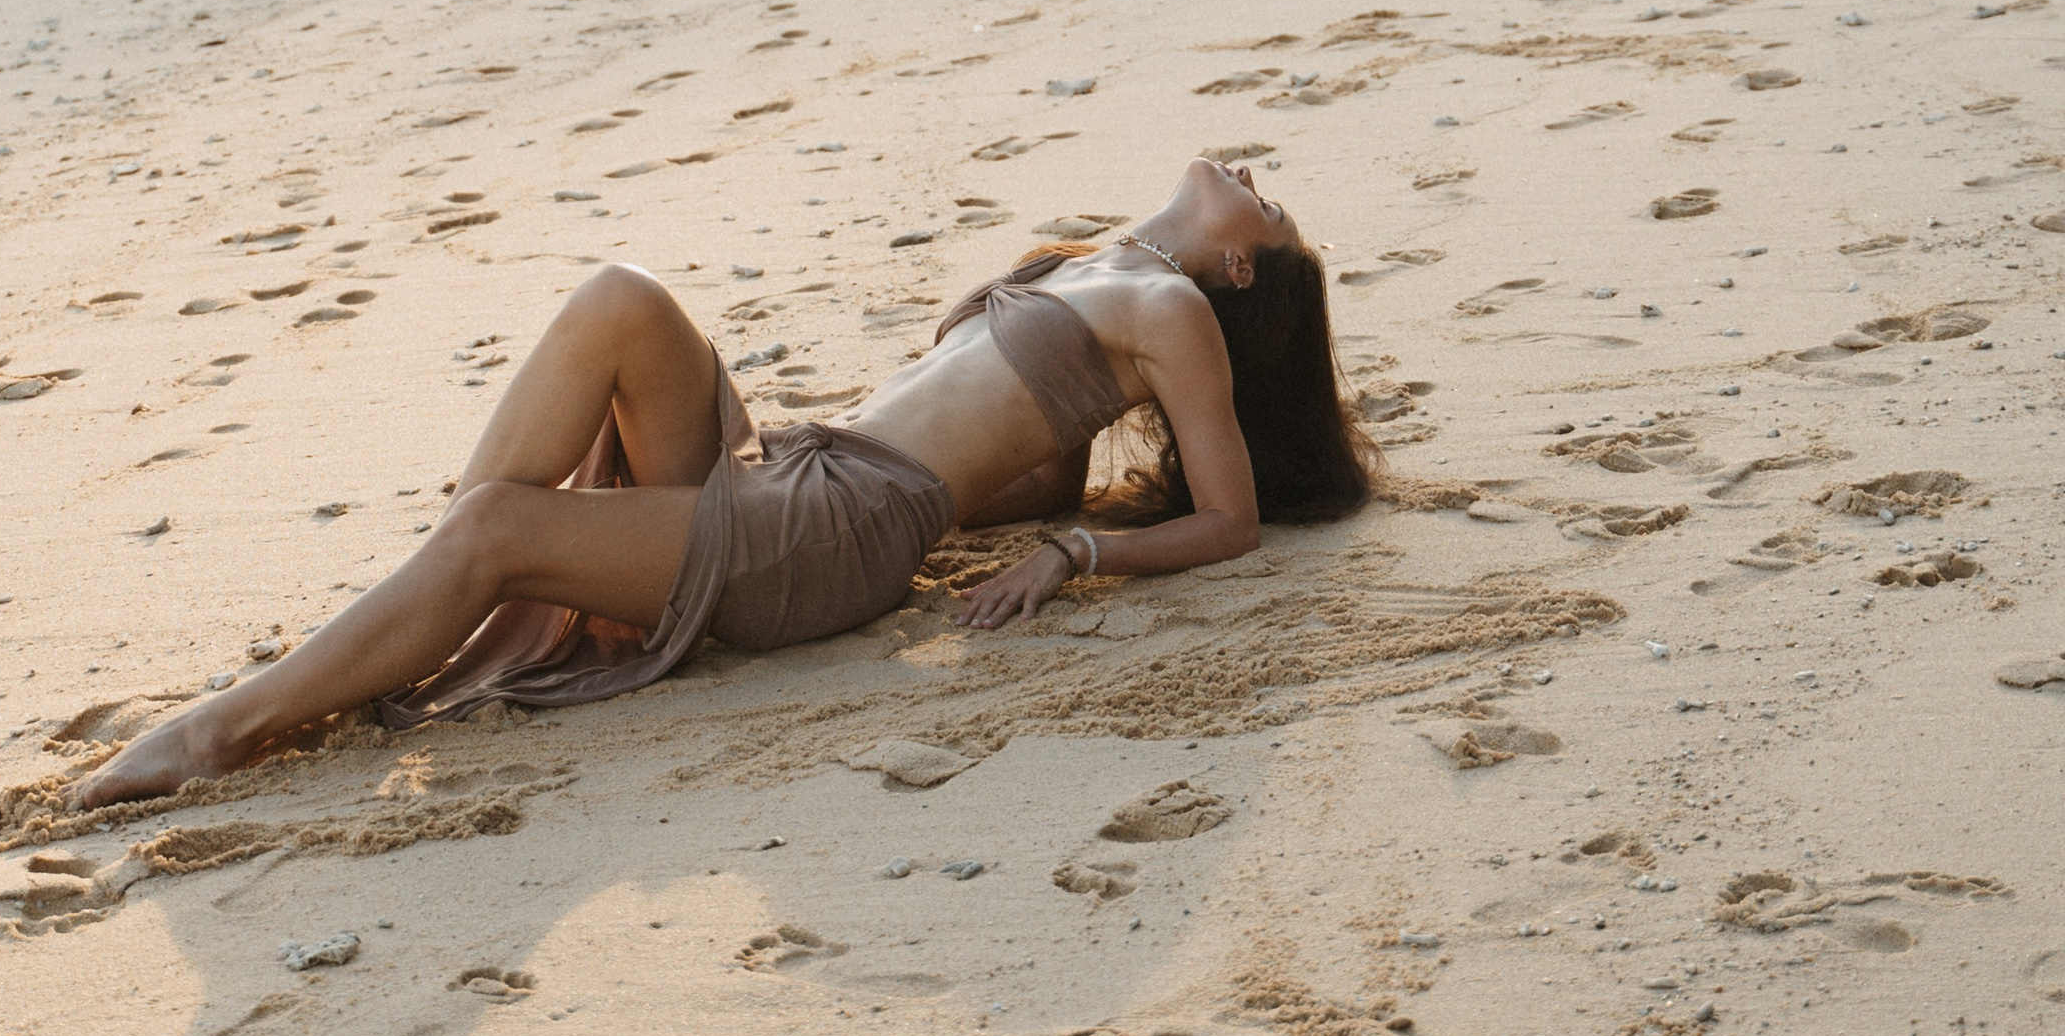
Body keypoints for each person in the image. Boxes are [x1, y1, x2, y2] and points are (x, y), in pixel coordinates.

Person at [69, 153, 1375, 811]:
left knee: (500, 529)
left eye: (1270, 210)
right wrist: (1045, 505)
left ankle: (222, 732)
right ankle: (419, 605)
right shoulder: (1088, 263)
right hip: (807, 470)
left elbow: (1231, 520)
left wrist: (1080, 553)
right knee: (622, 300)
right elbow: (1022, 460)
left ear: (1241, 269)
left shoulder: (1173, 312)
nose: (1254, 183)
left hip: (836, 530)